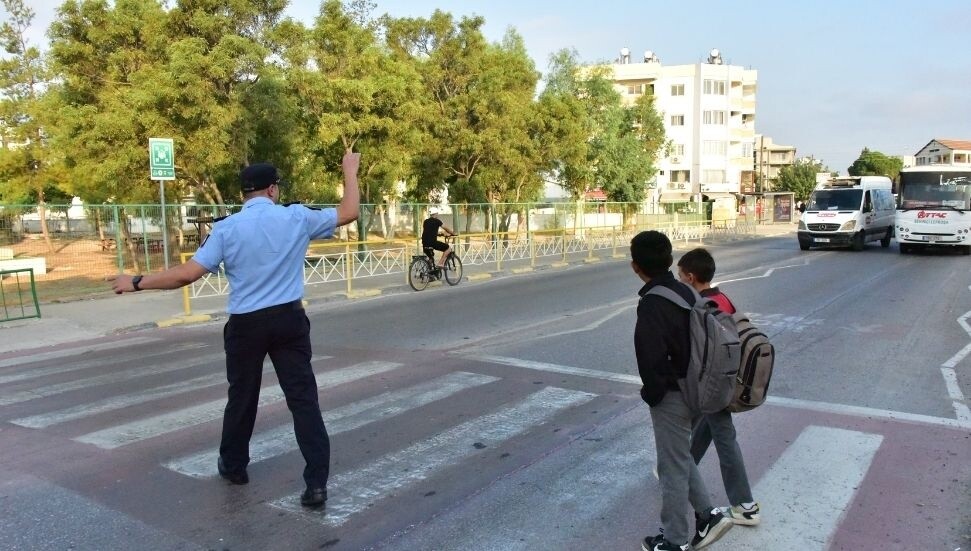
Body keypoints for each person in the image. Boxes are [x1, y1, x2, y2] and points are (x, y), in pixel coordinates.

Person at [110, 151, 361, 509]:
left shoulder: (226, 228)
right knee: (304, 401)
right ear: (273, 190)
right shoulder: (297, 217)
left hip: (246, 326)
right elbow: (349, 212)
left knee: (242, 397)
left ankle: (234, 466)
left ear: (245, 194)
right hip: (289, 321)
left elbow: (186, 275)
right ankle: (316, 484)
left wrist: (136, 281)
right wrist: (350, 172)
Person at [630, 231, 733, 551]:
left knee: (671, 467)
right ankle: (707, 516)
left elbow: (650, 359)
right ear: (670, 260)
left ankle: (674, 540)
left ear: (635, 266)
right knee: (679, 456)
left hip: (673, 394)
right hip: (700, 387)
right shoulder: (687, 292)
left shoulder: (652, 304)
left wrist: (653, 395)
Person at [676, 248, 761, 527]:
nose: (678, 281)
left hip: (716, 383)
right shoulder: (722, 298)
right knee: (708, 427)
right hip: (728, 378)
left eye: (680, 277)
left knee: (724, 437)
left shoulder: (703, 306)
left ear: (690, 277)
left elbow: (701, 350)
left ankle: (744, 505)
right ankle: (682, 469)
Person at [421, 206, 456, 277]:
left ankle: (430, 275)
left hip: (424, 243)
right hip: (432, 243)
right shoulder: (437, 221)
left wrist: (439, 234)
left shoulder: (425, 221)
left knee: (431, 257)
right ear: (435, 214)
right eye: (437, 213)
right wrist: (452, 233)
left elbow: (429, 231)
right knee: (448, 248)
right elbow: (446, 228)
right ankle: (440, 263)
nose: (438, 215)